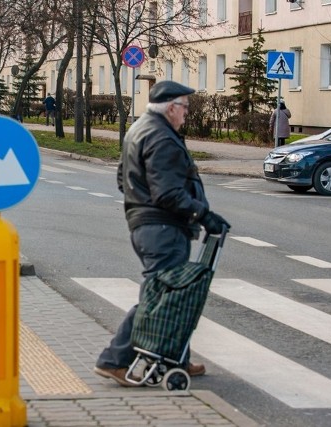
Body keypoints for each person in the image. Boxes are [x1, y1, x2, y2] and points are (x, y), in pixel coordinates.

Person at [94, 80, 231, 387]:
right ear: (171, 108)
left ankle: (175, 358)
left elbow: (122, 177)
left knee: (168, 294)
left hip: (148, 224)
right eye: (184, 107)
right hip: (163, 228)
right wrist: (203, 215)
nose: (186, 113)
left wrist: (138, 201)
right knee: (157, 297)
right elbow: (168, 193)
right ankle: (114, 359)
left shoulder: (139, 129)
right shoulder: (162, 138)